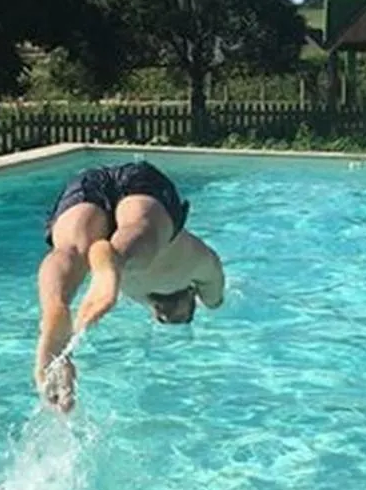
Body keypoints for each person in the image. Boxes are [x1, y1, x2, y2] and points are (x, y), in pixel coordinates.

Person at [35, 160, 225, 412]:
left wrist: (212, 296)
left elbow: (214, 293)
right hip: (139, 191)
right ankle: (116, 258)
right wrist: (215, 300)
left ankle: (55, 304)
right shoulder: (181, 269)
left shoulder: (197, 263)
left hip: (100, 182)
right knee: (141, 236)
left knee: (71, 249)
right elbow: (215, 301)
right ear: (156, 309)